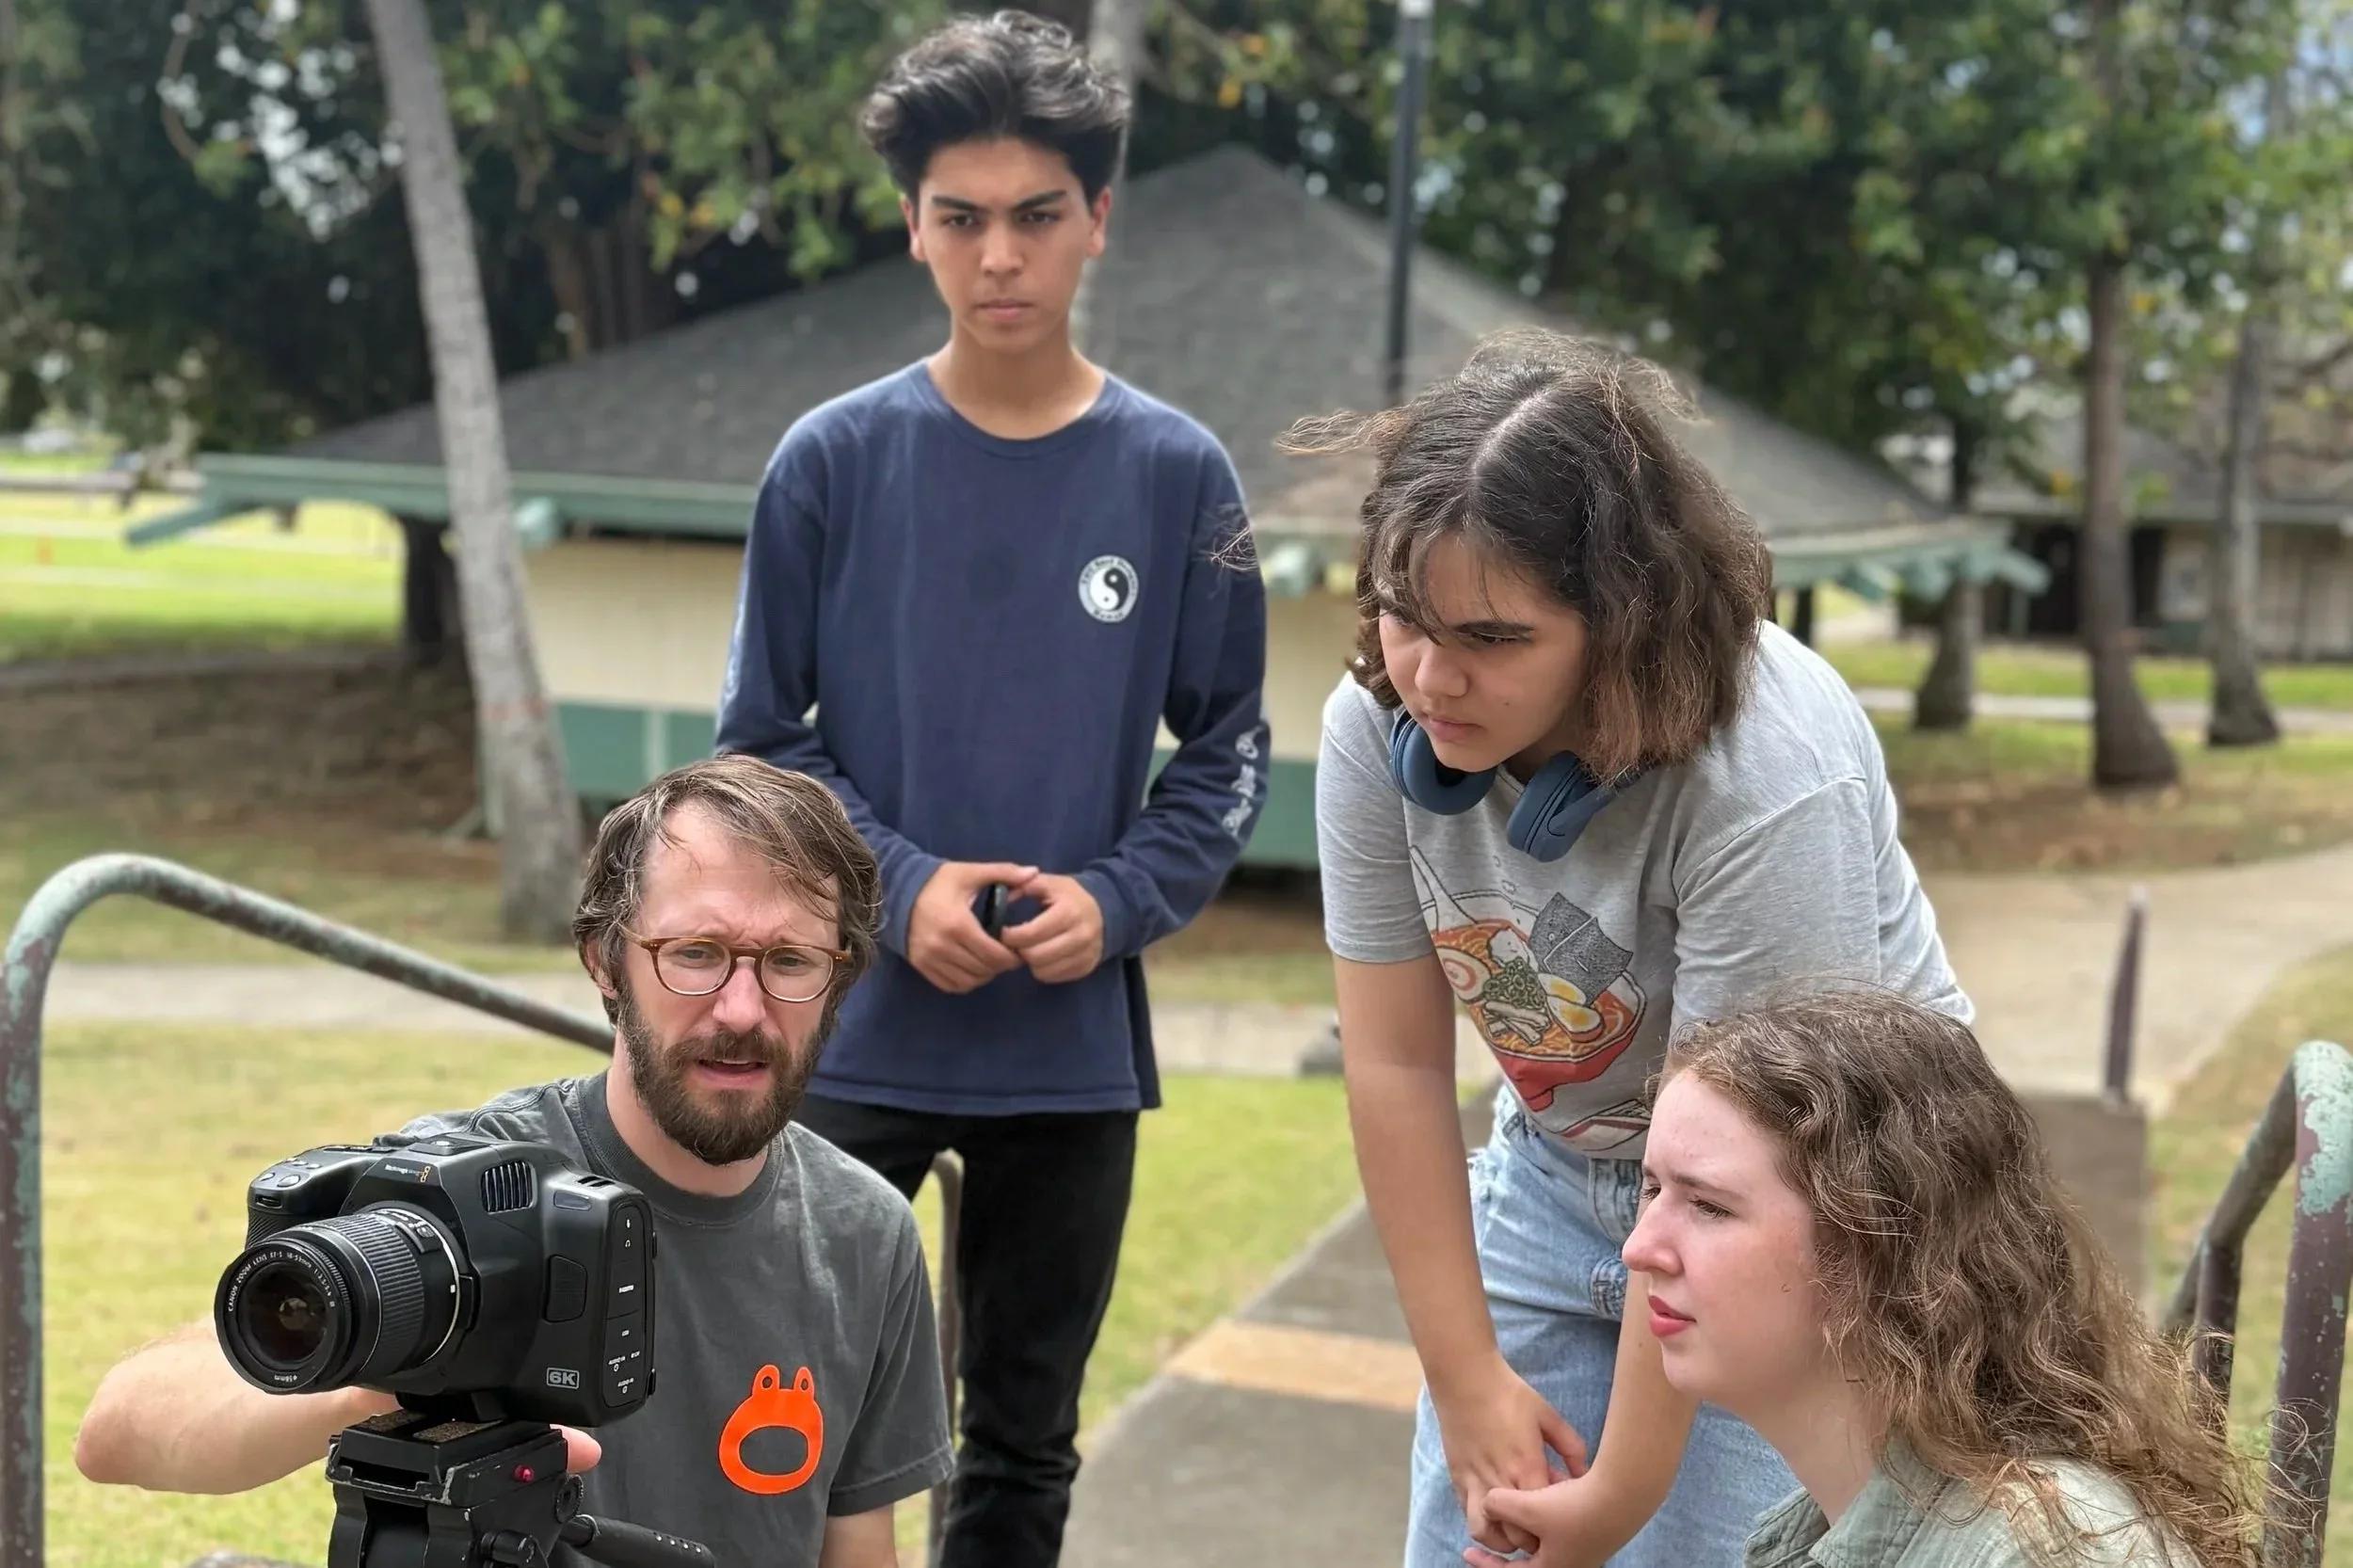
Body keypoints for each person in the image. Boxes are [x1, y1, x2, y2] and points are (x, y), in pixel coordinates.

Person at [711, 12, 1269, 1567]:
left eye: (1037, 215)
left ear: (1099, 219)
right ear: (913, 224)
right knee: (780, 1417)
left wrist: (1117, 897)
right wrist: (900, 885)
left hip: (1066, 1057)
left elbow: (1228, 745)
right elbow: (757, 740)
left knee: (1023, 1444)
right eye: (961, 218)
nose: (1000, 255)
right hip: (856, 1031)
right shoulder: (831, 460)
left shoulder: (1177, 475)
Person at [1301, 328, 1974, 1567]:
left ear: (1619, 623)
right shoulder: (1374, 725)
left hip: (1813, 1203)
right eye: (1404, 617)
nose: (1431, 678)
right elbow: (1394, 1063)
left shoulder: (1766, 772)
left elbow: (1734, 1164)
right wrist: (1465, 1378)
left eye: (1492, 637)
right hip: (1558, 1173)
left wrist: (1616, 1493)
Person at [72, 755, 954, 1568]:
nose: (742, 1008)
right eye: (696, 954)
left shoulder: (865, 1231)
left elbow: (857, 1548)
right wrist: (390, 1374)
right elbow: (117, 1431)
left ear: (838, 981)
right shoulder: (458, 1194)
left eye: (791, 961)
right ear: (605, 961)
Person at [1468, 988, 2261, 1568]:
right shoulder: (1814, 1530)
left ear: (1873, 1243)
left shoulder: (2045, 1550)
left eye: (1707, 1205)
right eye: (1651, 1190)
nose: (1639, 1250)